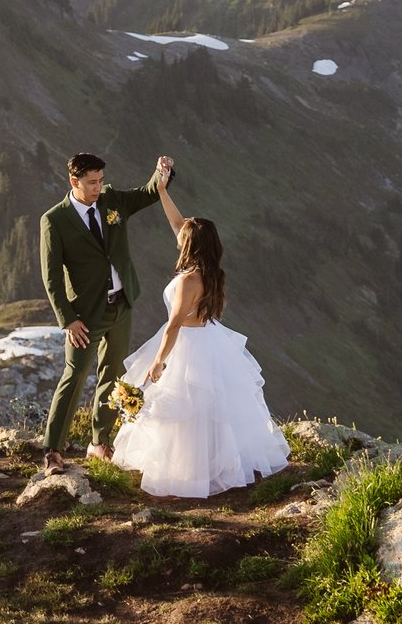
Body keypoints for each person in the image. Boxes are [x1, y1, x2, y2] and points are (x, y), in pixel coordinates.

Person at [110, 180, 290, 499]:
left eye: (183, 237)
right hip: (209, 340)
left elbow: (174, 324)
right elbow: (179, 224)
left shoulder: (188, 280)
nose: (178, 236)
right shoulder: (211, 273)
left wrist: (158, 361)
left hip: (187, 343)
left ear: (190, 245)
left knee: (185, 408)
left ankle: (187, 475)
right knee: (210, 409)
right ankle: (211, 466)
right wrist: (162, 191)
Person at [38, 150, 171, 470]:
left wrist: (161, 176)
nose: (98, 187)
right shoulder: (54, 220)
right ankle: (52, 451)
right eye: (92, 182)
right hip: (84, 316)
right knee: (75, 376)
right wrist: (68, 319)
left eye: (101, 180)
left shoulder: (111, 200)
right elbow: (51, 276)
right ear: (74, 181)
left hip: (121, 306)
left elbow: (146, 194)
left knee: (113, 375)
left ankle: (99, 443)